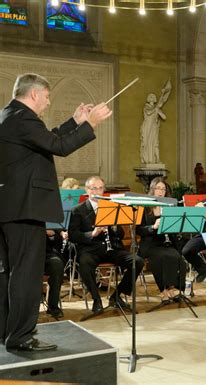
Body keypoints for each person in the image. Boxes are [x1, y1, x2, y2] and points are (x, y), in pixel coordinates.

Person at [0, 73, 111, 352]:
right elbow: (58, 147)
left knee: (8, 274)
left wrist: (74, 121)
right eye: (48, 97)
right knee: (26, 274)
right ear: (34, 94)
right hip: (24, 208)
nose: (48, 103)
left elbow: (47, 139)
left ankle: (7, 331)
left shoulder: (10, 116)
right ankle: (21, 336)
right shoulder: (23, 118)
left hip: (10, 207)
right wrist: (90, 124)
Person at [68, 176, 144, 315]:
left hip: (112, 249)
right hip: (90, 250)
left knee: (137, 261)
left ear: (104, 190)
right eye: (93, 188)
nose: (97, 191)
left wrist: (114, 227)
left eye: (100, 188)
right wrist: (92, 233)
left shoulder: (112, 207)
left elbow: (120, 234)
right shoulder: (77, 210)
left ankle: (117, 295)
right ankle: (97, 299)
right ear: (87, 190)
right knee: (84, 263)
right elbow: (73, 236)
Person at [137, 177, 186, 303]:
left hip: (165, 242)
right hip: (150, 244)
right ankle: (163, 290)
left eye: (163, 189)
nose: (161, 191)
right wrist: (153, 227)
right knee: (160, 258)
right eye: (158, 188)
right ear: (152, 189)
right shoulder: (144, 207)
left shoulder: (169, 205)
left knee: (178, 257)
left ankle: (172, 288)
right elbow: (139, 230)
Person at [44, 230, 67, 319]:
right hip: (26, 253)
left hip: (45, 254)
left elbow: (58, 244)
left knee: (57, 264)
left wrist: (52, 235)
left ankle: (53, 306)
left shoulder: (50, 219)